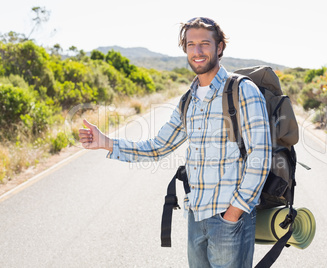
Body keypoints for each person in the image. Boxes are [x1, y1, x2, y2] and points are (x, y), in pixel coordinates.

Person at [79, 17, 271, 268]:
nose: (197, 51)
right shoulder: (187, 101)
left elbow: (261, 155)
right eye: (191, 44)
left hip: (229, 219)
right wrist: (107, 143)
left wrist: (233, 214)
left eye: (204, 43)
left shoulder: (242, 90)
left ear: (219, 47)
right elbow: (159, 147)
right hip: (196, 217)